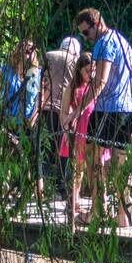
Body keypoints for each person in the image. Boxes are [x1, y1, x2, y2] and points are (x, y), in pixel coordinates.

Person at [75, 8, 132, 226]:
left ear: (97, 24)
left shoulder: (104, 43)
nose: (86, 38)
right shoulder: (123, 41)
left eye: (86, 33)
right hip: (128, 107)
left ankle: (98, 209)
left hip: (108, 108)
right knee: (121, 161)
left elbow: (100, 82)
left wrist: (77, 111)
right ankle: (122, 215)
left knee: (92, 154)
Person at [59, 53, 105, 223]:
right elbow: (64, 112)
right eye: (87, 71)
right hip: (79, 132)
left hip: (93, 130)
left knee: (96, 168)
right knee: (78, 170)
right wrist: (66, 130)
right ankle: (73, 200)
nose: (91, 74)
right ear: (79, 70)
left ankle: (98, 205)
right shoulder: (72, 87)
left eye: (93, 70)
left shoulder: (95, 87)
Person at [41, 35, 82, 203]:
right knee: (64, 151)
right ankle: (62, 186)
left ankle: (45, 184)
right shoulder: (76, 61)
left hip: (46, 107)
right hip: (67, 111)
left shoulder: (48, 55)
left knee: (47, 148)